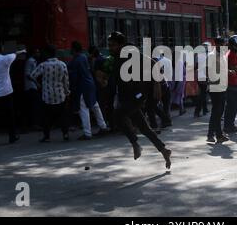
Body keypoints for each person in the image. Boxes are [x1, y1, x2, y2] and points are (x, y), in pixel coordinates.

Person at [107, 32, 172, 169]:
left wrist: (156, 84)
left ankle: (135, 143)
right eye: (109, 45)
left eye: (112, 45)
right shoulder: (117, 57)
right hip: (126, 97)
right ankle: (164, 151)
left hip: (136, 96)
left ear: (120, 45)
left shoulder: (131, 54)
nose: (110, 48)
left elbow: (154, 63)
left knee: (118, 115)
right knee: (144, 128)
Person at [0, 42, 25, 147]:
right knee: (10, 116)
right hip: (6, 92)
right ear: (1, 48)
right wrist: (23, 50)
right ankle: (12, 136)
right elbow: (15, 53)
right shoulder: (6, 58)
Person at [31, 45, 70, 143]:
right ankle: (65, 134)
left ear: (47, 54)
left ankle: (47, 136)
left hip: (47, 96)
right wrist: (67, 92)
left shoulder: (43, 65)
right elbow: (66, 81)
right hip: (60, 95)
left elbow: (32, 75)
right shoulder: (62, 64)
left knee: (46, 117)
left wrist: (38, 84)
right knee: (63, 116)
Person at [69, 41, 108, 140]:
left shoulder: (76, 60)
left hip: (82, 86)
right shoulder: (84, 57)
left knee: (84, 109)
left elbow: (74, 77)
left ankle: (87, 133)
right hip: (90, 84)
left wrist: (71, 88)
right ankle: (103, 126)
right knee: (95, 105)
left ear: (73, 49)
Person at [207, 37, 230, 143]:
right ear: (216, 44)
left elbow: (222, 69)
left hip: (223, 87)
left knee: (218, 113)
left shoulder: (223, 56)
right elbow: (209, 70)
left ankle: (212, 134)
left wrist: (229, 71)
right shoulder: (211, 56)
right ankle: (216, 135)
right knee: (217, 112)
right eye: (222, 44)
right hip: (215, 88)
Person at [223, 35, 237, 133]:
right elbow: (232, 67)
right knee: (233, 105)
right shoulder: (231, 54)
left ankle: (229, 125)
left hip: (232, 82)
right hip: (230, 83)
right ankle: (229, 125)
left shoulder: (233, 53)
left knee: (231, 105)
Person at [23, 47, 42, 132]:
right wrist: (36, 83)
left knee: (34, 105)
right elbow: (27, 74)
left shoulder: (33, 61)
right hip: (31, 86)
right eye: (37, 52)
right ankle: (34, 124)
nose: (38, 54)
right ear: (33, 53)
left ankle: (34, 124)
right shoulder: (30, 61)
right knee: (35, 105)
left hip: (32, 86)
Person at [194, 42, 210, 118]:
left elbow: (196, 66)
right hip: (205, 76)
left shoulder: (198, 55)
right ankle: (197, 111)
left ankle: (205, 109)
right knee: (203, 94)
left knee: (203, 92)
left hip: (200, 76)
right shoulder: (208, 55)